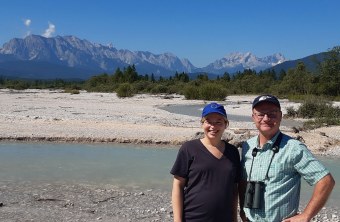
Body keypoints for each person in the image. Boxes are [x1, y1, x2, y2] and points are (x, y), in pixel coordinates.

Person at [239, 94, 335, 222]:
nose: (266, 118)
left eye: (272, 114)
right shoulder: (247, 146)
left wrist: (306, 215)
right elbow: (243, 181)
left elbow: (326, 181)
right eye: (261, 114)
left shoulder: (293, 148)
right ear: (253, 117)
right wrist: (242, 209)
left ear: (280, 116)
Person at [170, 102, 241, 222]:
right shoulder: (189, 148)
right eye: (208, 121)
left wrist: (234, 218)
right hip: (193, 218)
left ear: (226, 125)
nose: (213, 127)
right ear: (202, 123)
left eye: (218, 122)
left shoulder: (233, 152)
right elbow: (178, 185)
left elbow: (234, 190)